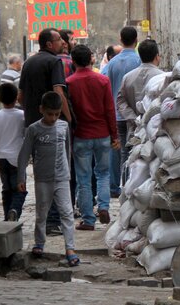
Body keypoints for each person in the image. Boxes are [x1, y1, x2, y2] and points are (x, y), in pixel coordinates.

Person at [18, 28, 73, 236]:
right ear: (49, 44)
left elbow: (21, 97)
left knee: (41, 173)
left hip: (33, 124)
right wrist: (66, 118)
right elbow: (58, 92)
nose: (63, 43)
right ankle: (52, 220)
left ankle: (43, 223)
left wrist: (33, 113)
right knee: (58, 171)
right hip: (52, 126)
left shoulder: (28, 62)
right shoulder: (54, 62)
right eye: (59, 40)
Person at [17, 91, 80, 267]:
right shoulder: (33, 130)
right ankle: (39, 242)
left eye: (56, 114)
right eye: (49, 114)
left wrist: (67, 173)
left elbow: (67, 150)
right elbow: (24, 155)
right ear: (41, 110)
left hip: (62, 178)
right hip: (42, 179)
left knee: (67, 213)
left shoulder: (63, 127)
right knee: (42, 212)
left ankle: (70, 248)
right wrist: (20, 177)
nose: (53, 118)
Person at [66, 45, 120, 230]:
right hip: (102, 134)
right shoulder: (102, 80)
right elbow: (109, 110)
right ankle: (104, 207)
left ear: (73, 61)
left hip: (81, 136)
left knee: (83, 178)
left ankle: (88, 219)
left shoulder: (69, 83)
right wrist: (115, 135)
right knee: (103, 174)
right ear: (91, 59)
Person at [105, 26, 141, 197]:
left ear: (121, 40)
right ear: (136, 40)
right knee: (133, 150)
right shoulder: (139, 61)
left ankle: (113, 186)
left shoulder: (111, 63)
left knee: (116, 149)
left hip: (116, 112)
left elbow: (108, 87)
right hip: (134, 114)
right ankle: (128, 185)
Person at [0, 83, 27, 221]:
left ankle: (7, 217)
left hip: (1, 157)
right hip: (17, 158)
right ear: (16, 98)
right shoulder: (22, 115)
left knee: (6, 189)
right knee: (20, 189)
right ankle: (14, 210)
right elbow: (25, 135)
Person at [117, 39, 163, 122]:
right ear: (157, 56)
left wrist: (134, 118)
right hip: (157, 129)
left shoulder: (127, 77)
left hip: (134, 129)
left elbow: (121, 102)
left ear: (140, 56)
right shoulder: (163, 77)